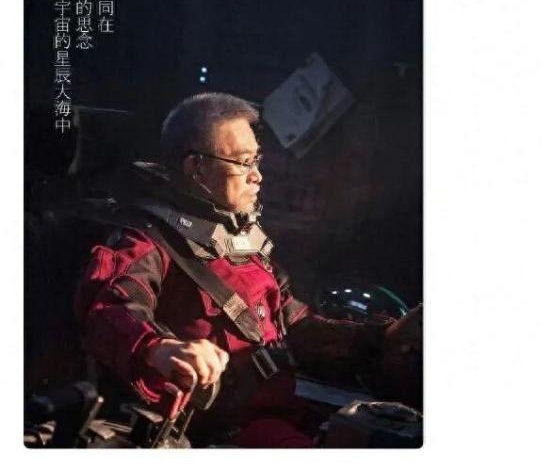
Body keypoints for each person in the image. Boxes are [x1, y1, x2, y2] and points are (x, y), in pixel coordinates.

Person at [75, 93, 397, 447]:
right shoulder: (148, 241)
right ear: (196, 168)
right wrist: (160, 348)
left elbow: (294, 323)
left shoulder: (241, 243)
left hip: (287, 413)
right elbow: (109, 308)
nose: (257, 176)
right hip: (229, 433)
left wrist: (384, 337)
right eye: (243, 162)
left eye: (256, 160)